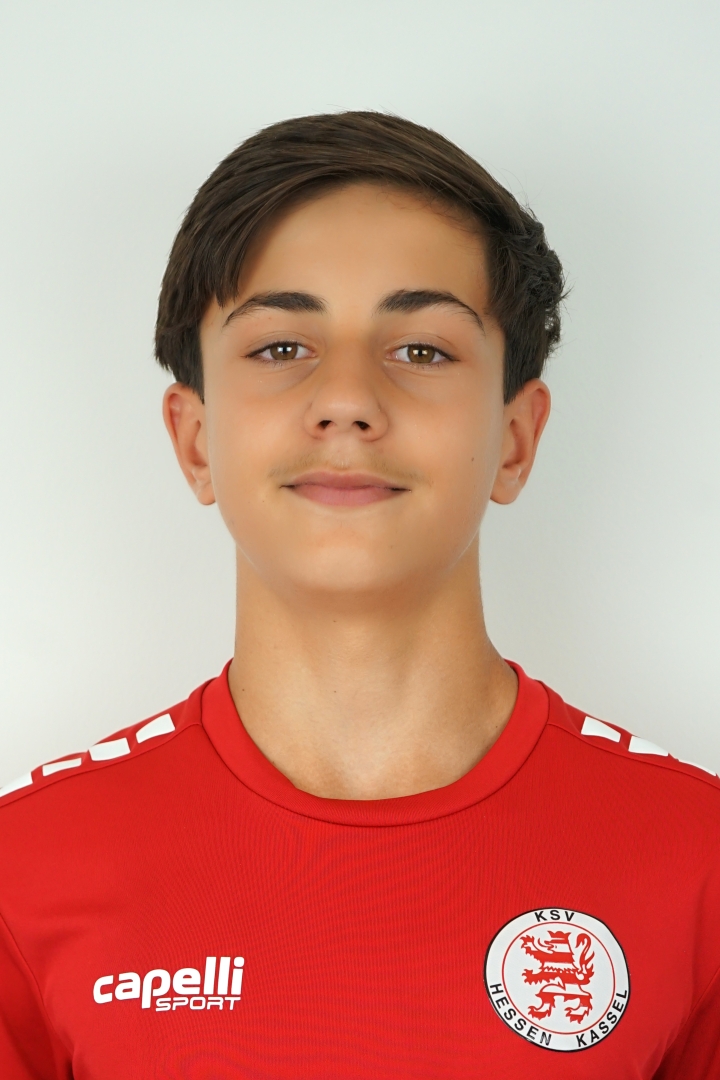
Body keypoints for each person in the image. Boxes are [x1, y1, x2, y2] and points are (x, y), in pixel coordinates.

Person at [0, 111, 717, 1079]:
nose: (346, 399)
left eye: (420, 350)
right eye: (280, 348)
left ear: (515, 438)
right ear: (196, 440)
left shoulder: (698, 864)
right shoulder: (24, 873)